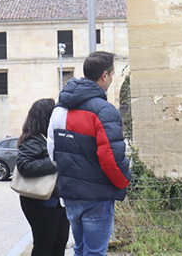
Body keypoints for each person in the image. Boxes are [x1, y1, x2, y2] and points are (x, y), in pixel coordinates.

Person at [47, 51, 131, 256]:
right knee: (94, 252)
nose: (112, 79)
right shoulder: (104, 111)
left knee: (80, 249)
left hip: (70, 194)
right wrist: (123, 183)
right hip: (97, 196)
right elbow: (111, 159)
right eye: (112, 74)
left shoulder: (60, 109)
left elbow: (52, 152)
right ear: (104, 75)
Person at [16, 98, 70, 256]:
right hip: (40, 203)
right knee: (44, 246)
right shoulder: (34, 139)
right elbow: (24, 165)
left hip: (57, 202)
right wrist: (54, 161)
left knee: (58, 245)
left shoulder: (51, 139)